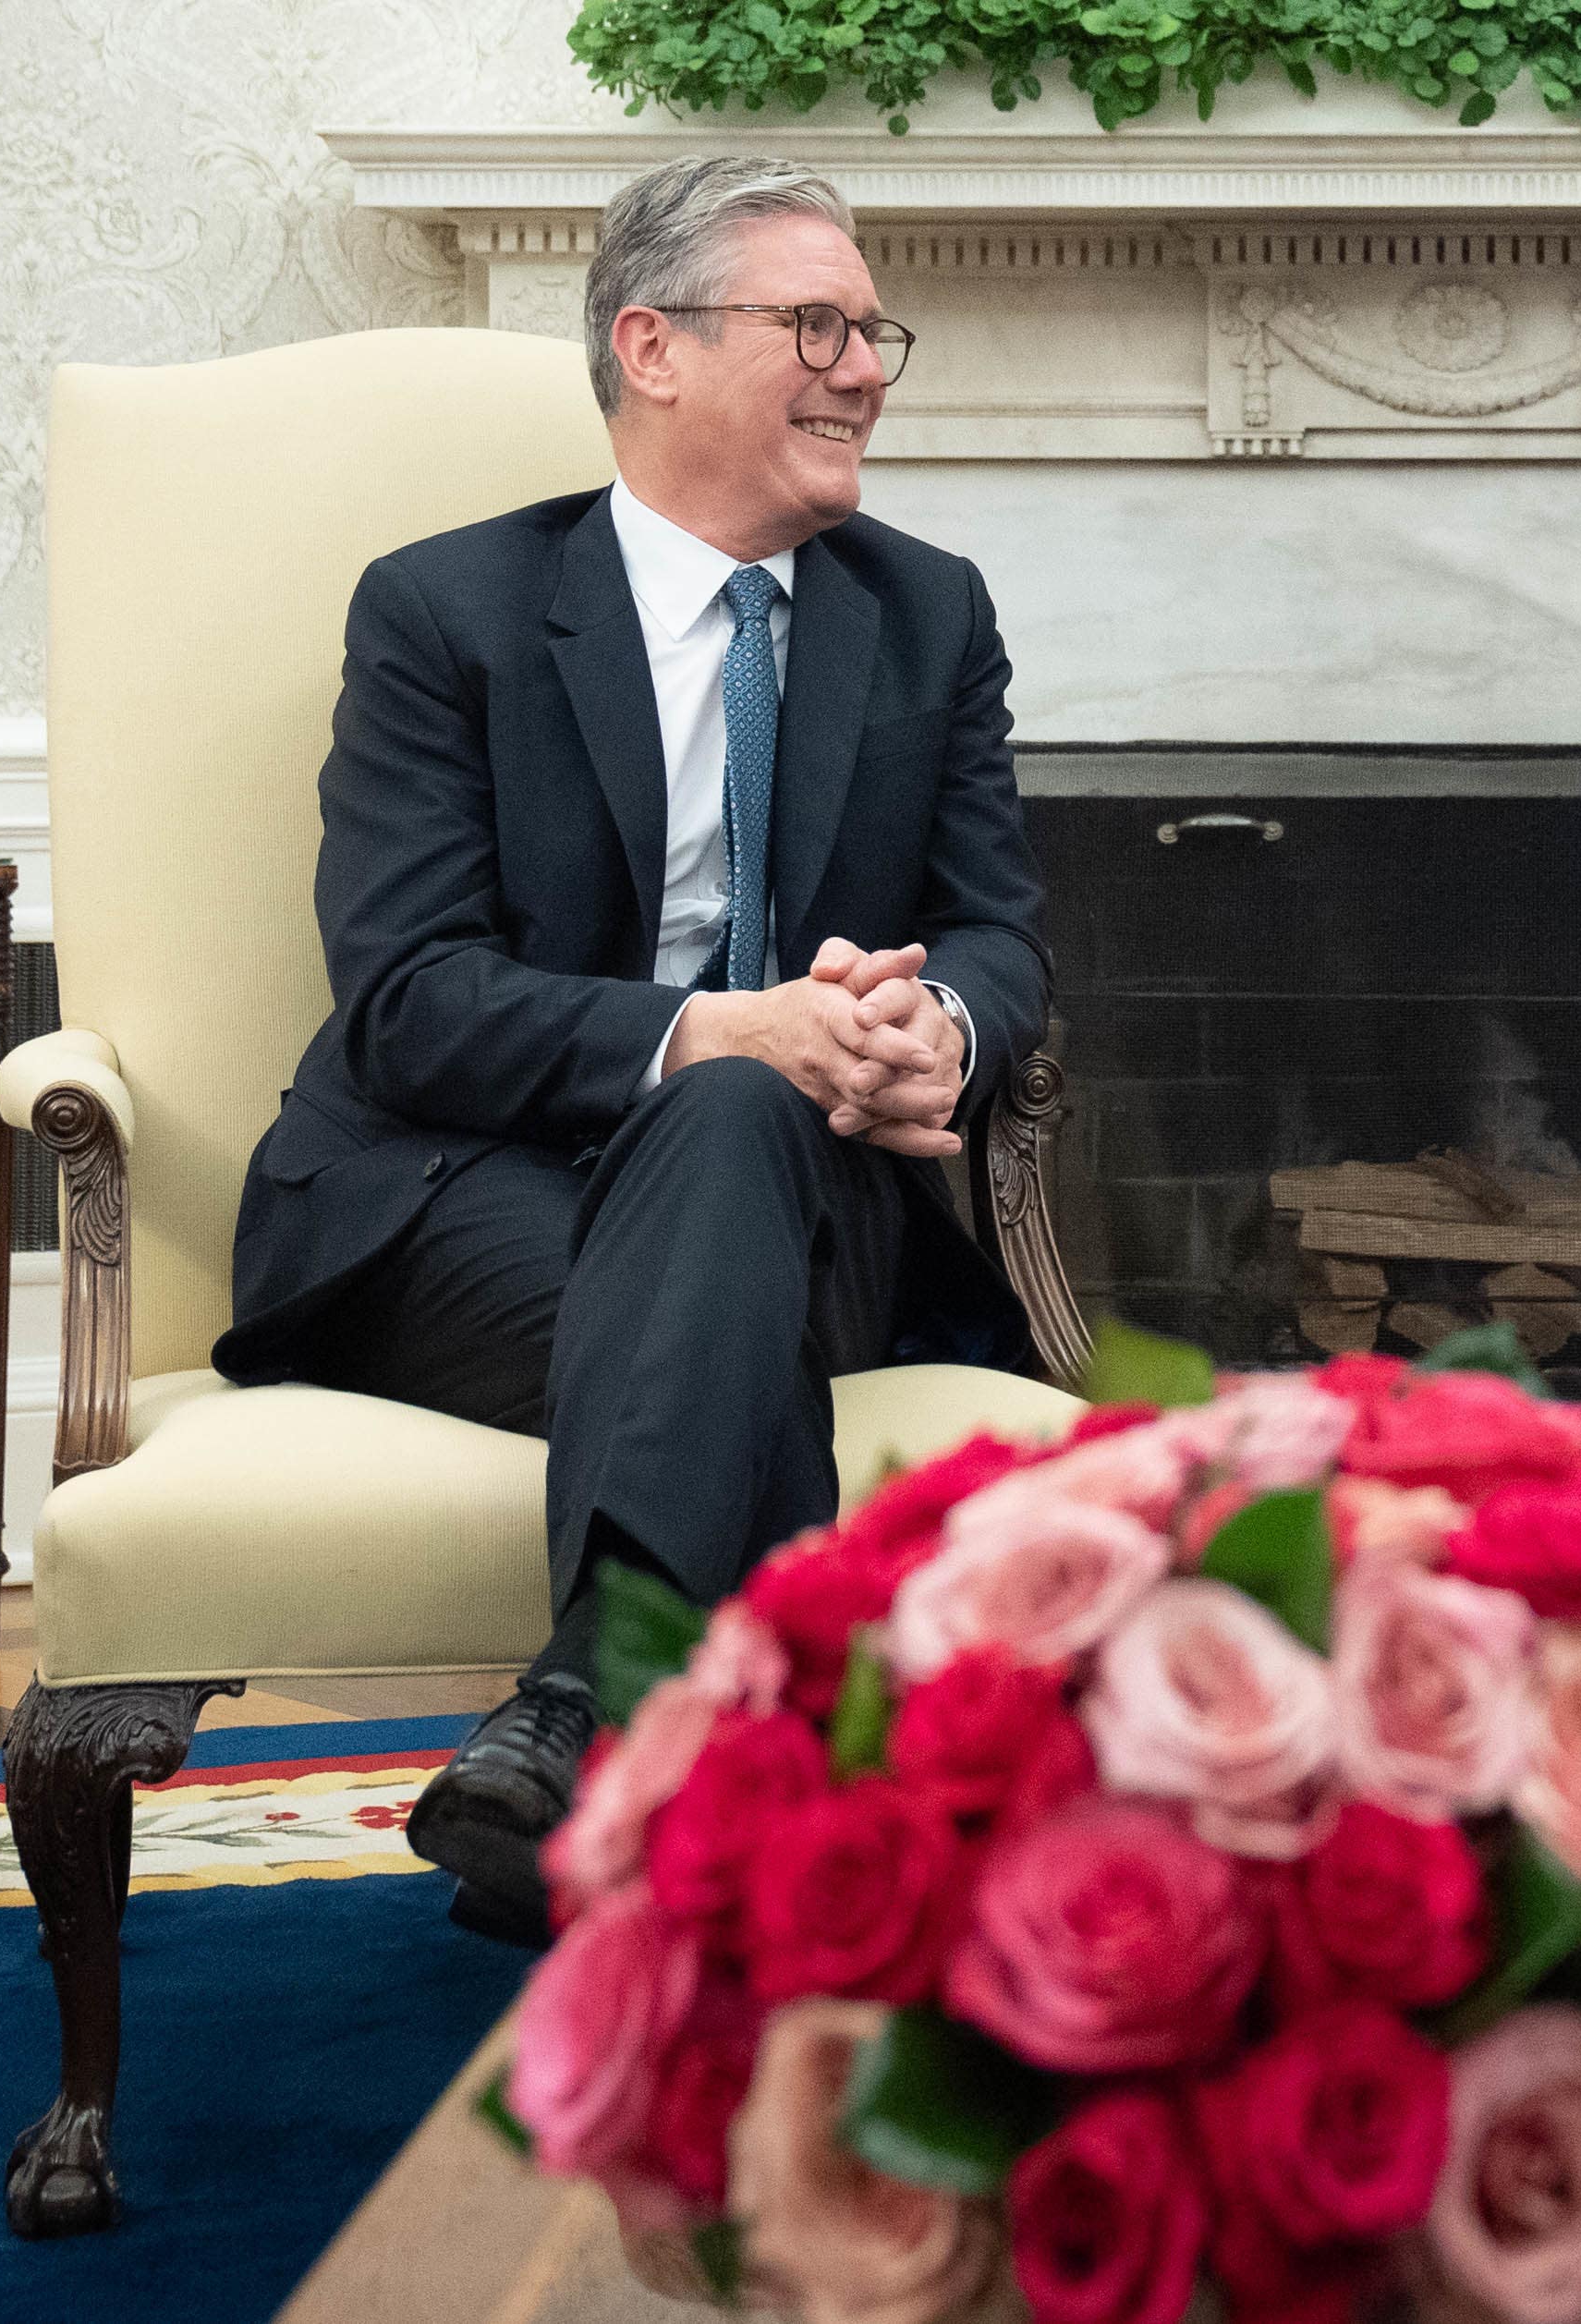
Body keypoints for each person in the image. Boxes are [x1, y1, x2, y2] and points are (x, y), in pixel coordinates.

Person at [211, 155, 1051, 1944]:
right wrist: (710, 1029)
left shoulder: (928, 612)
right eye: (814, 324)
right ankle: (717, 1814)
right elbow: (407, 998)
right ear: (651, 347)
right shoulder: (448, 614)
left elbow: (999, 933)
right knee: (732, 1110)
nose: (866, 367)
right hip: (444, 1207)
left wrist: (936, 1029)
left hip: (805, 1209)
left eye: (872, 328)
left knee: (746, 1120)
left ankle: (584, 1712)